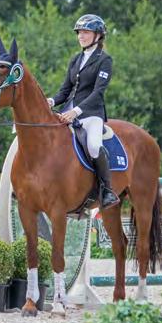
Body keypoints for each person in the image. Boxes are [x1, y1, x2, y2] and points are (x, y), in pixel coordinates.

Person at [48, 14, 119, 208]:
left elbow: (98, 92)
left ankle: (106, 190)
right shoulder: (75, 59)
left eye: (85, 32)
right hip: (67, 112)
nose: (81, 36)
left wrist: (76, 112)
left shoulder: (104, 60)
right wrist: (51, 100)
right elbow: (65, 89)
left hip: (91, 114)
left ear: (97, 35)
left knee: (94, 146)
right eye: (79, 32)